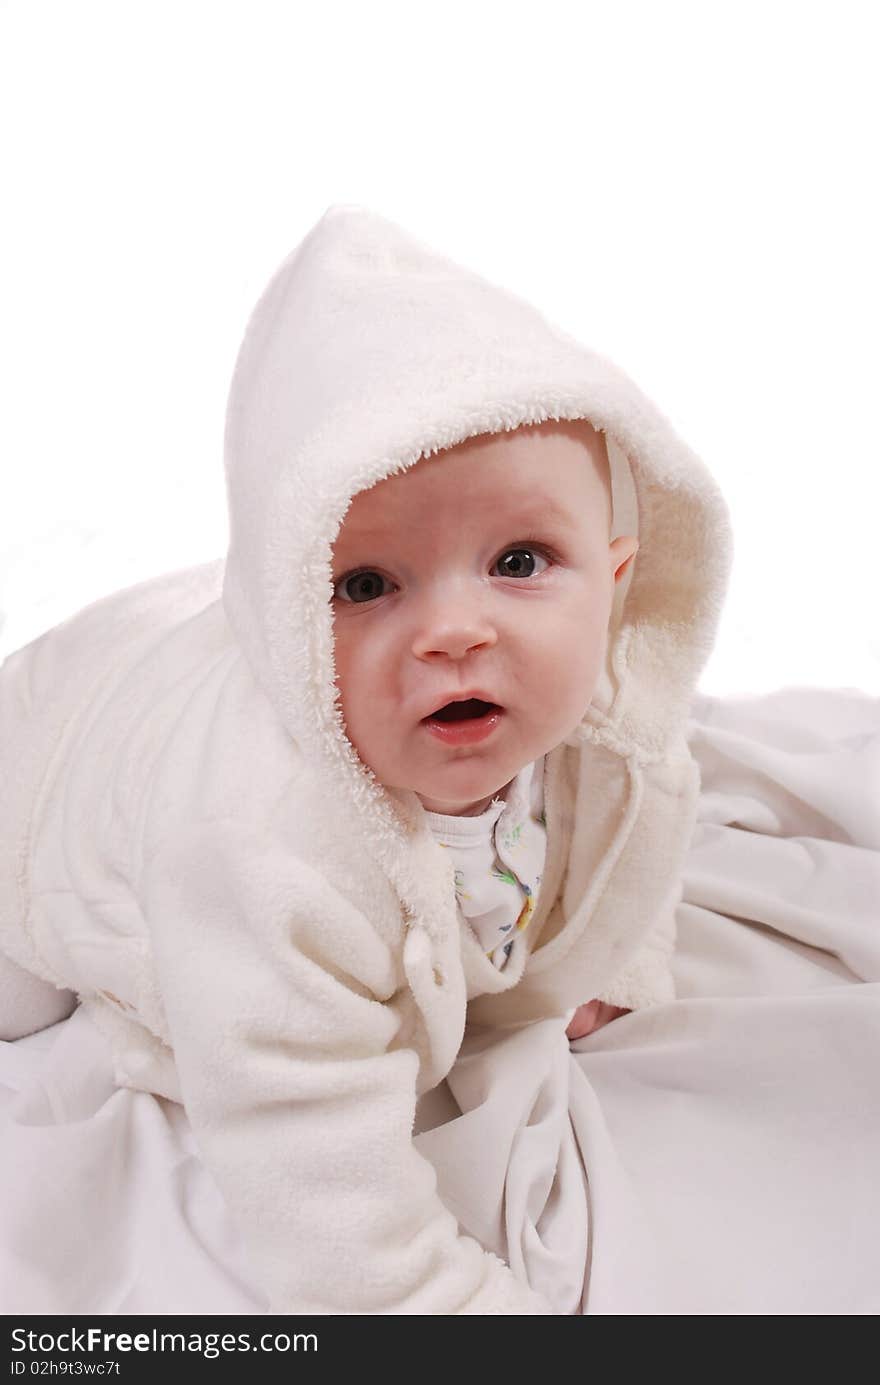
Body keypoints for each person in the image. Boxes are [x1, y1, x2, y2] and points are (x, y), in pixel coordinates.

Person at [0, 204, 733, 1314]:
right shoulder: (262, 847)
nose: (455, 629)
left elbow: (627, 852)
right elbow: (318, 1194)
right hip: (52, 758)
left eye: (519, 559)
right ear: (288, 613)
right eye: (364, 584)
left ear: (619, 579)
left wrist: (600, 966)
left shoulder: (607, 727)